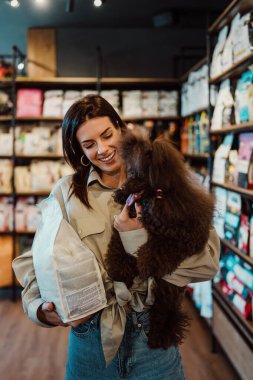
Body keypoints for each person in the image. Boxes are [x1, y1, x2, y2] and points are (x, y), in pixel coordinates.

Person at [13, 94, 220, 380]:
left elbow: (207, 262)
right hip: (90, 341)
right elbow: (35, 259)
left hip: (153, 341)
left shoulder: (164, 179)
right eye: (89, 145)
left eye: (107, 135)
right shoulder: (66, 194)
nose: (103, 149)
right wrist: (39, 308)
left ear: (121, 127)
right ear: (79, 151)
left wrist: (135, 239)